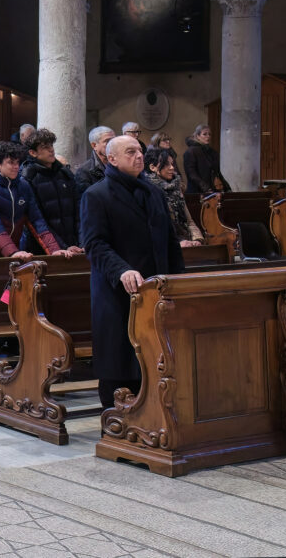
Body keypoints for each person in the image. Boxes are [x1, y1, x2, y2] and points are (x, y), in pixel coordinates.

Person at [81, 135, 184, 408]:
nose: (139, 156)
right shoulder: (96, 195)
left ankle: (151, 416)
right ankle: (115, 422)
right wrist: (122, 270)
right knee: (119, 359)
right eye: (130, 152)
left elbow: (170, 242)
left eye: (139, 151)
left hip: (155, 290)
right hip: (117, 291)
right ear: (111, 159)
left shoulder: (154, 193)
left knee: (153, 357)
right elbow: (94, 244)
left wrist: (179, 282)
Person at [0, 142, 74, 259]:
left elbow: (36, 220)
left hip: (13, 250)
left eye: (17, 162)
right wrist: (12, 252)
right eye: (11, 163)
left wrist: (54, 250)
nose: (16, 166)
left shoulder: (23, 185)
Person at [21, 128, 83, 251]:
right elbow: (37, 219)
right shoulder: (28, 178)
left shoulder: (64, 173)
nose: (51, 149)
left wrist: (81, 242)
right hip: (43, 248)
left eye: (51, 145)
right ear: (33, 153)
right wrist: (62, 247)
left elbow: (78, 210)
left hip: (74, 245)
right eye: (45, 147)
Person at [145, 149, 204, 247]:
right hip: (164, 245)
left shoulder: (176, 187)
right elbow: (154, 226)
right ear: (153, 167)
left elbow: (189, 220)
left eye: (172, 164)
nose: (172, 168)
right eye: (166, 164)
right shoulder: (148, 190)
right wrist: (177, 243)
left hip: (185, 240)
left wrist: (197, 239)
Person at [182, 124, 230, 194]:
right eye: (205, 134)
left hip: (212, 191)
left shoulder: (212, 152)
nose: (208, 136)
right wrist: (206, 188)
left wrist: (227, 188)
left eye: (209, 134)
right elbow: (191, 174)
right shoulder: (191, 152)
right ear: (198, 136)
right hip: (196, 192)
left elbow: (217, 173)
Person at [75, 126, 116, 194]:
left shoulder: (121, 164)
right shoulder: (84, 171)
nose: (112, 145)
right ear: (94, 145)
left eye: (114, 141)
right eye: (107, 141)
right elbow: (87, 199)